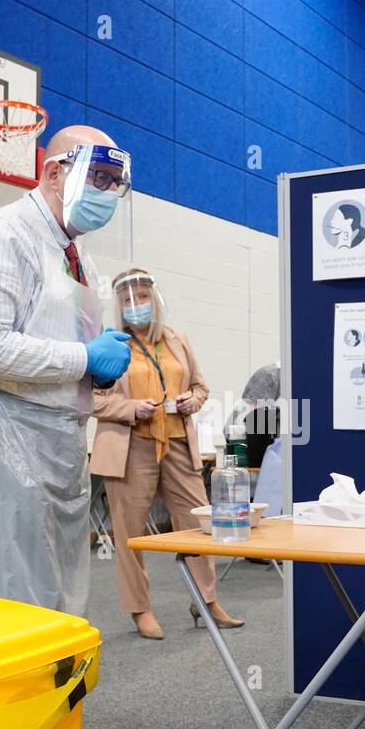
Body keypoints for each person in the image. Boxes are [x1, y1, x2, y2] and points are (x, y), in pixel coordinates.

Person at [0, 124, 135, 729]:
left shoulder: (73, 257)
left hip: (58, 438)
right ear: (54, 169)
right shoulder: (0, 236)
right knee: (16, 614)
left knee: (57, 614)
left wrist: (95, 368)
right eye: (101, 178)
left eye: (119, 183)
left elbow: (52, 353)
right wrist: (80, 355)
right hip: (8, 435)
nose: (109, 195)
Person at [90, 268, 244, 639]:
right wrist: (129, 408)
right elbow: (91, 399)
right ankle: (139, 609)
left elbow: (201, 386)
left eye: (142, 297)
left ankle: (205, 600)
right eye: (127, 300)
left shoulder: (177, 340)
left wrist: (193, 400)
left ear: (154, 300)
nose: (135, 305)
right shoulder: (108, 344)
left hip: (177, 441)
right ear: (118, 306)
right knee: (130, 533)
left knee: (197, 525)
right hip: (131, 445)